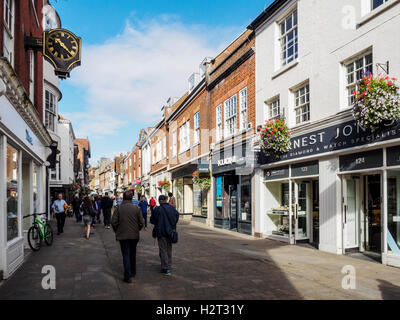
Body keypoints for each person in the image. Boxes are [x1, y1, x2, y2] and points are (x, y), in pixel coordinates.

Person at [111, 191, 145, 284]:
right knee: (133, 253)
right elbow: (142, 222)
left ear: (123, 198)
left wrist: (117, 230)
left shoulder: (119, 208)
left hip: (122, 235)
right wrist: (137, 229)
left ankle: (128, 276)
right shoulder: (136, 208)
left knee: (126, 254)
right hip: (134, 235)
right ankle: (133, 272)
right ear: (131, 198)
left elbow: (113, 222)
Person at [150, 195, 179, 276]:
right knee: (169, 249)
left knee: (163, 250)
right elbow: (177, 216)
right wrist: (172, 225)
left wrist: (158, 222)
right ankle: (168, 265)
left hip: (161, 232)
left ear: (159, 201)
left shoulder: (157, 209)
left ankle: (165, 268)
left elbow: (152, 220)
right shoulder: (171, 208)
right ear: (166, 200)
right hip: (170, 231)